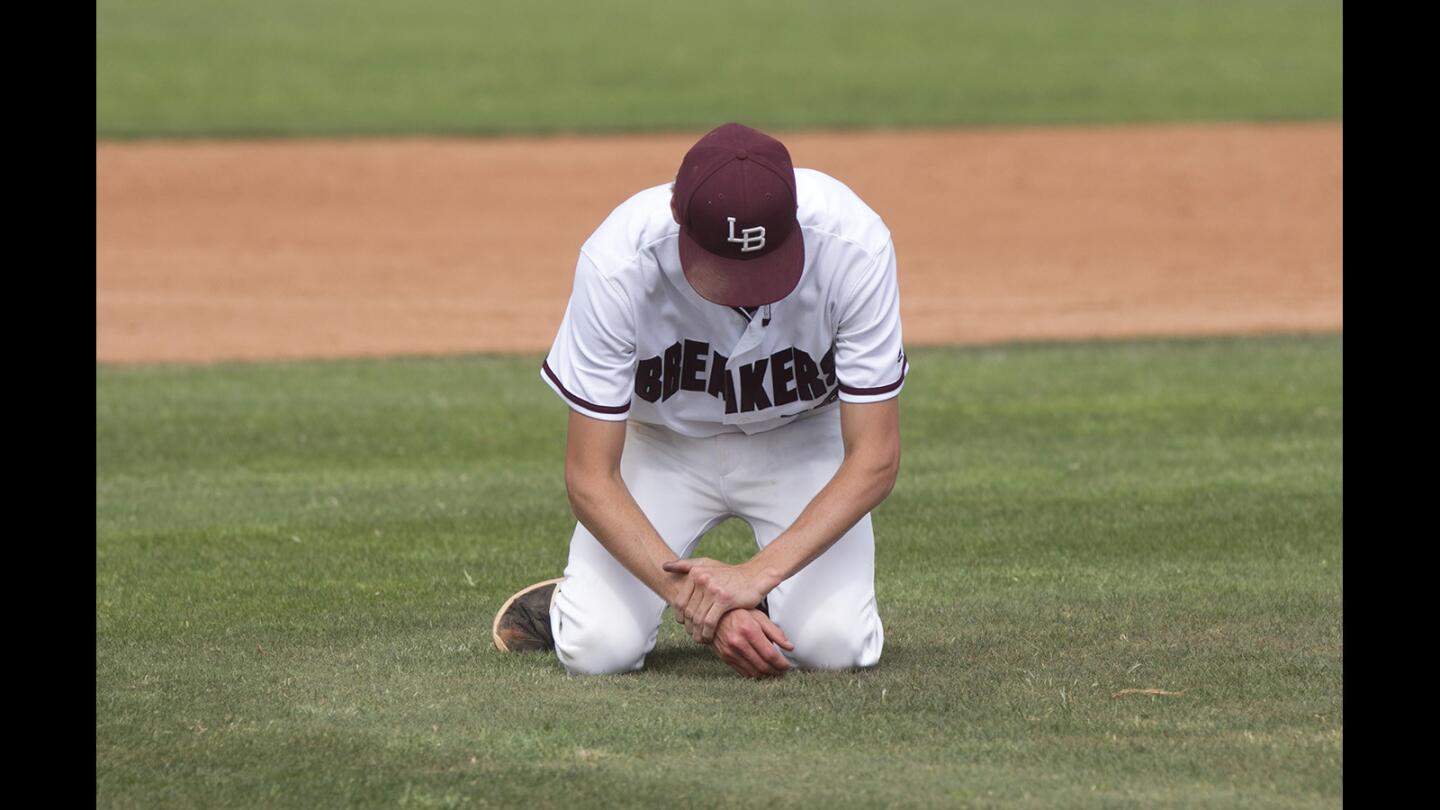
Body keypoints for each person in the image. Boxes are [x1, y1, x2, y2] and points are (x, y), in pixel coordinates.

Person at [492, 122, 906, 679]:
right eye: (726, 271)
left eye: (762, 268)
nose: (749, 288)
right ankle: (572, 601)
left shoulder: (854, 245)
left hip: (801, 440)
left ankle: (769, 598)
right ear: (675, 212)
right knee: (597, 651)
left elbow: (874, 457)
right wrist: (705, 606)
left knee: (835, 649)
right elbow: (589, 476)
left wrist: (755, 577)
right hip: (663, 445)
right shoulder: (618, 262)